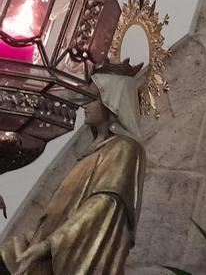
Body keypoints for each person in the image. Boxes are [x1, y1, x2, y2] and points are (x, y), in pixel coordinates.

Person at [0, 62, 146, 275]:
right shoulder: (92, 152)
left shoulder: (125, 148)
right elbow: (57, 215)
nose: (83, 105)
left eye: (91, 98)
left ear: (111, 101)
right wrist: (36, 241)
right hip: (40, 247)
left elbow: (103, 206)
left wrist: (50, 244)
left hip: (59, 251)